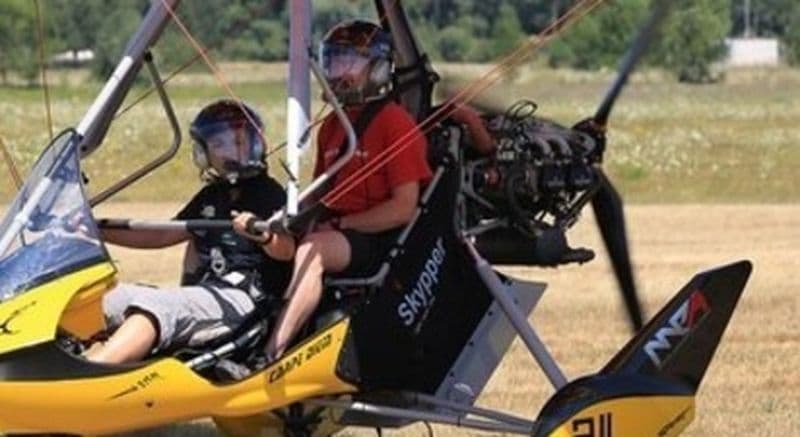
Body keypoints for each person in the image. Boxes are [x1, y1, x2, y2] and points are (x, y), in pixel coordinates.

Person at [264, 20, 432, 359]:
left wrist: (341, 225)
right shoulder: (333, 125)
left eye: (350, 63)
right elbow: (321, 191)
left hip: (380, 237)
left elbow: (403, 207)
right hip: (337, 230)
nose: (339, 72)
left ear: (379, 68)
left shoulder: (394, 122)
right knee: (270, 242)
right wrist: (279, 220)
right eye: (335, 62)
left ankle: (272, 352)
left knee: (315, 248)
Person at [85, 100, 295, 364]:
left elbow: (287, 250)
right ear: (204, 153)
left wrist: (263, 236)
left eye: (238, 142)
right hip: (208, 292)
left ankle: (87, 378)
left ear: (255, 142)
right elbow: (162, 234)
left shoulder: (270, 194)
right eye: (219, 145)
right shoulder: (212, 195)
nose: (231, 152)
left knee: (158, 307)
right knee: (103, 299)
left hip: (245, 301)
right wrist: (97, 229)